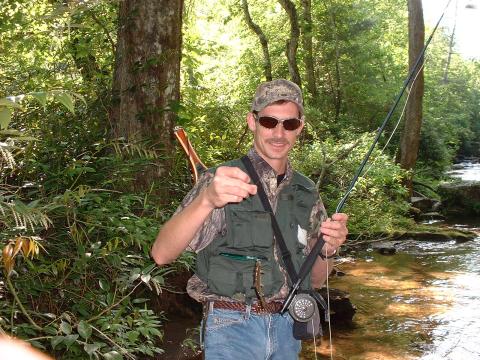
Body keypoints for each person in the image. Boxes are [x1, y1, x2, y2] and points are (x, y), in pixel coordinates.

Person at [151, 79, 348, 359]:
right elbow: (161, 254)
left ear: (300, 127)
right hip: (232, 327)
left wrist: (328, 251)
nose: (279, 133)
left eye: (289, 124)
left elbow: (315, 281)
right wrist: (207, 200)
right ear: (252, 122)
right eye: (269, 122)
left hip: (288, 329)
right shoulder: (220, 180)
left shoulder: (306, 192)